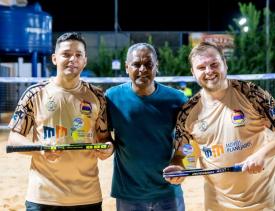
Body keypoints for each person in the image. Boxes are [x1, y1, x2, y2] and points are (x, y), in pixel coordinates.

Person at [164, 41, 275, 211]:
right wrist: (180, 167)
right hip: (218, 206)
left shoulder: (250, 93)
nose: (209, 71)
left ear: (225, 65)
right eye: (201, 67)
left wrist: (262, 154)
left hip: (265, 204)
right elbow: (185, 153)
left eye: (214, 64)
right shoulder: (188, 112)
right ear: (193, 72)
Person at [7, 32, 114, 210]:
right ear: (55, 58)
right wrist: (41, 150)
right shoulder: (34, 94)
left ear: (85, 61)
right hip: (43, 197)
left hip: (87, 197)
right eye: (66, 54)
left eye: (78, 55)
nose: (73, 59)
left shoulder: (98, 96)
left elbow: (105, 139)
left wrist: (108, 150)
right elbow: (14, 139)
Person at [105, 43, 188, 211]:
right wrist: (106, 146)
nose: (142, 69)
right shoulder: (112, 98)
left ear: (156, 67)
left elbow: (186, 141)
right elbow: (105, 137)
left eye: (148, 64)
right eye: (136, 64)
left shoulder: (177, 99)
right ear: (127, 67)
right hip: (129, 193)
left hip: (168, 191)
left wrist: (179, 160)